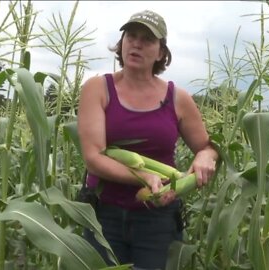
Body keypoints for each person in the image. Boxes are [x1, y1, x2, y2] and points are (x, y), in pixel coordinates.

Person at [77, 9, 218, 270]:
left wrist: (207, 157)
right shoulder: (97, 89)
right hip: (104, 214)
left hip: (158, 220)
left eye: (148, 39)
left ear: (161, 52)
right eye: (131, 36)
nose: (137, 44)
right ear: (121, 43)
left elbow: (206, 146)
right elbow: (94, 157)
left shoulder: (178, 98)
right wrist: (145, 177)